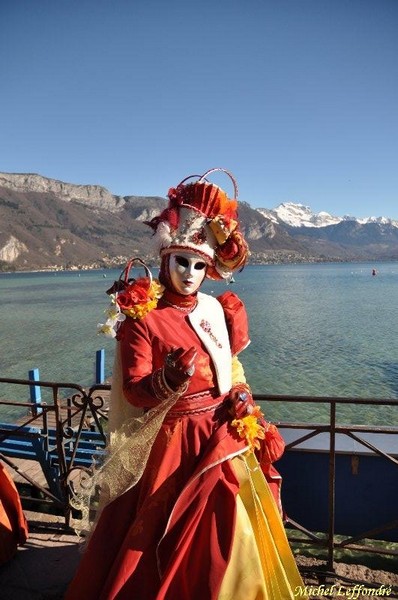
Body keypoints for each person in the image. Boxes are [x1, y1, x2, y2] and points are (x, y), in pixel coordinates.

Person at [65, 168, 307, 600]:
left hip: (222, 435)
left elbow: (229, 368)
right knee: (163, 535)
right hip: (173, 444)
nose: (191, 273)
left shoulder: (218, 309)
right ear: (164, 259)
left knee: (231, 528)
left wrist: (242, 398)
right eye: (182, 262)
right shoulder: (143, 321)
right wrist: (167, 379)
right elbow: (133, 391)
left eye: (200, 265)